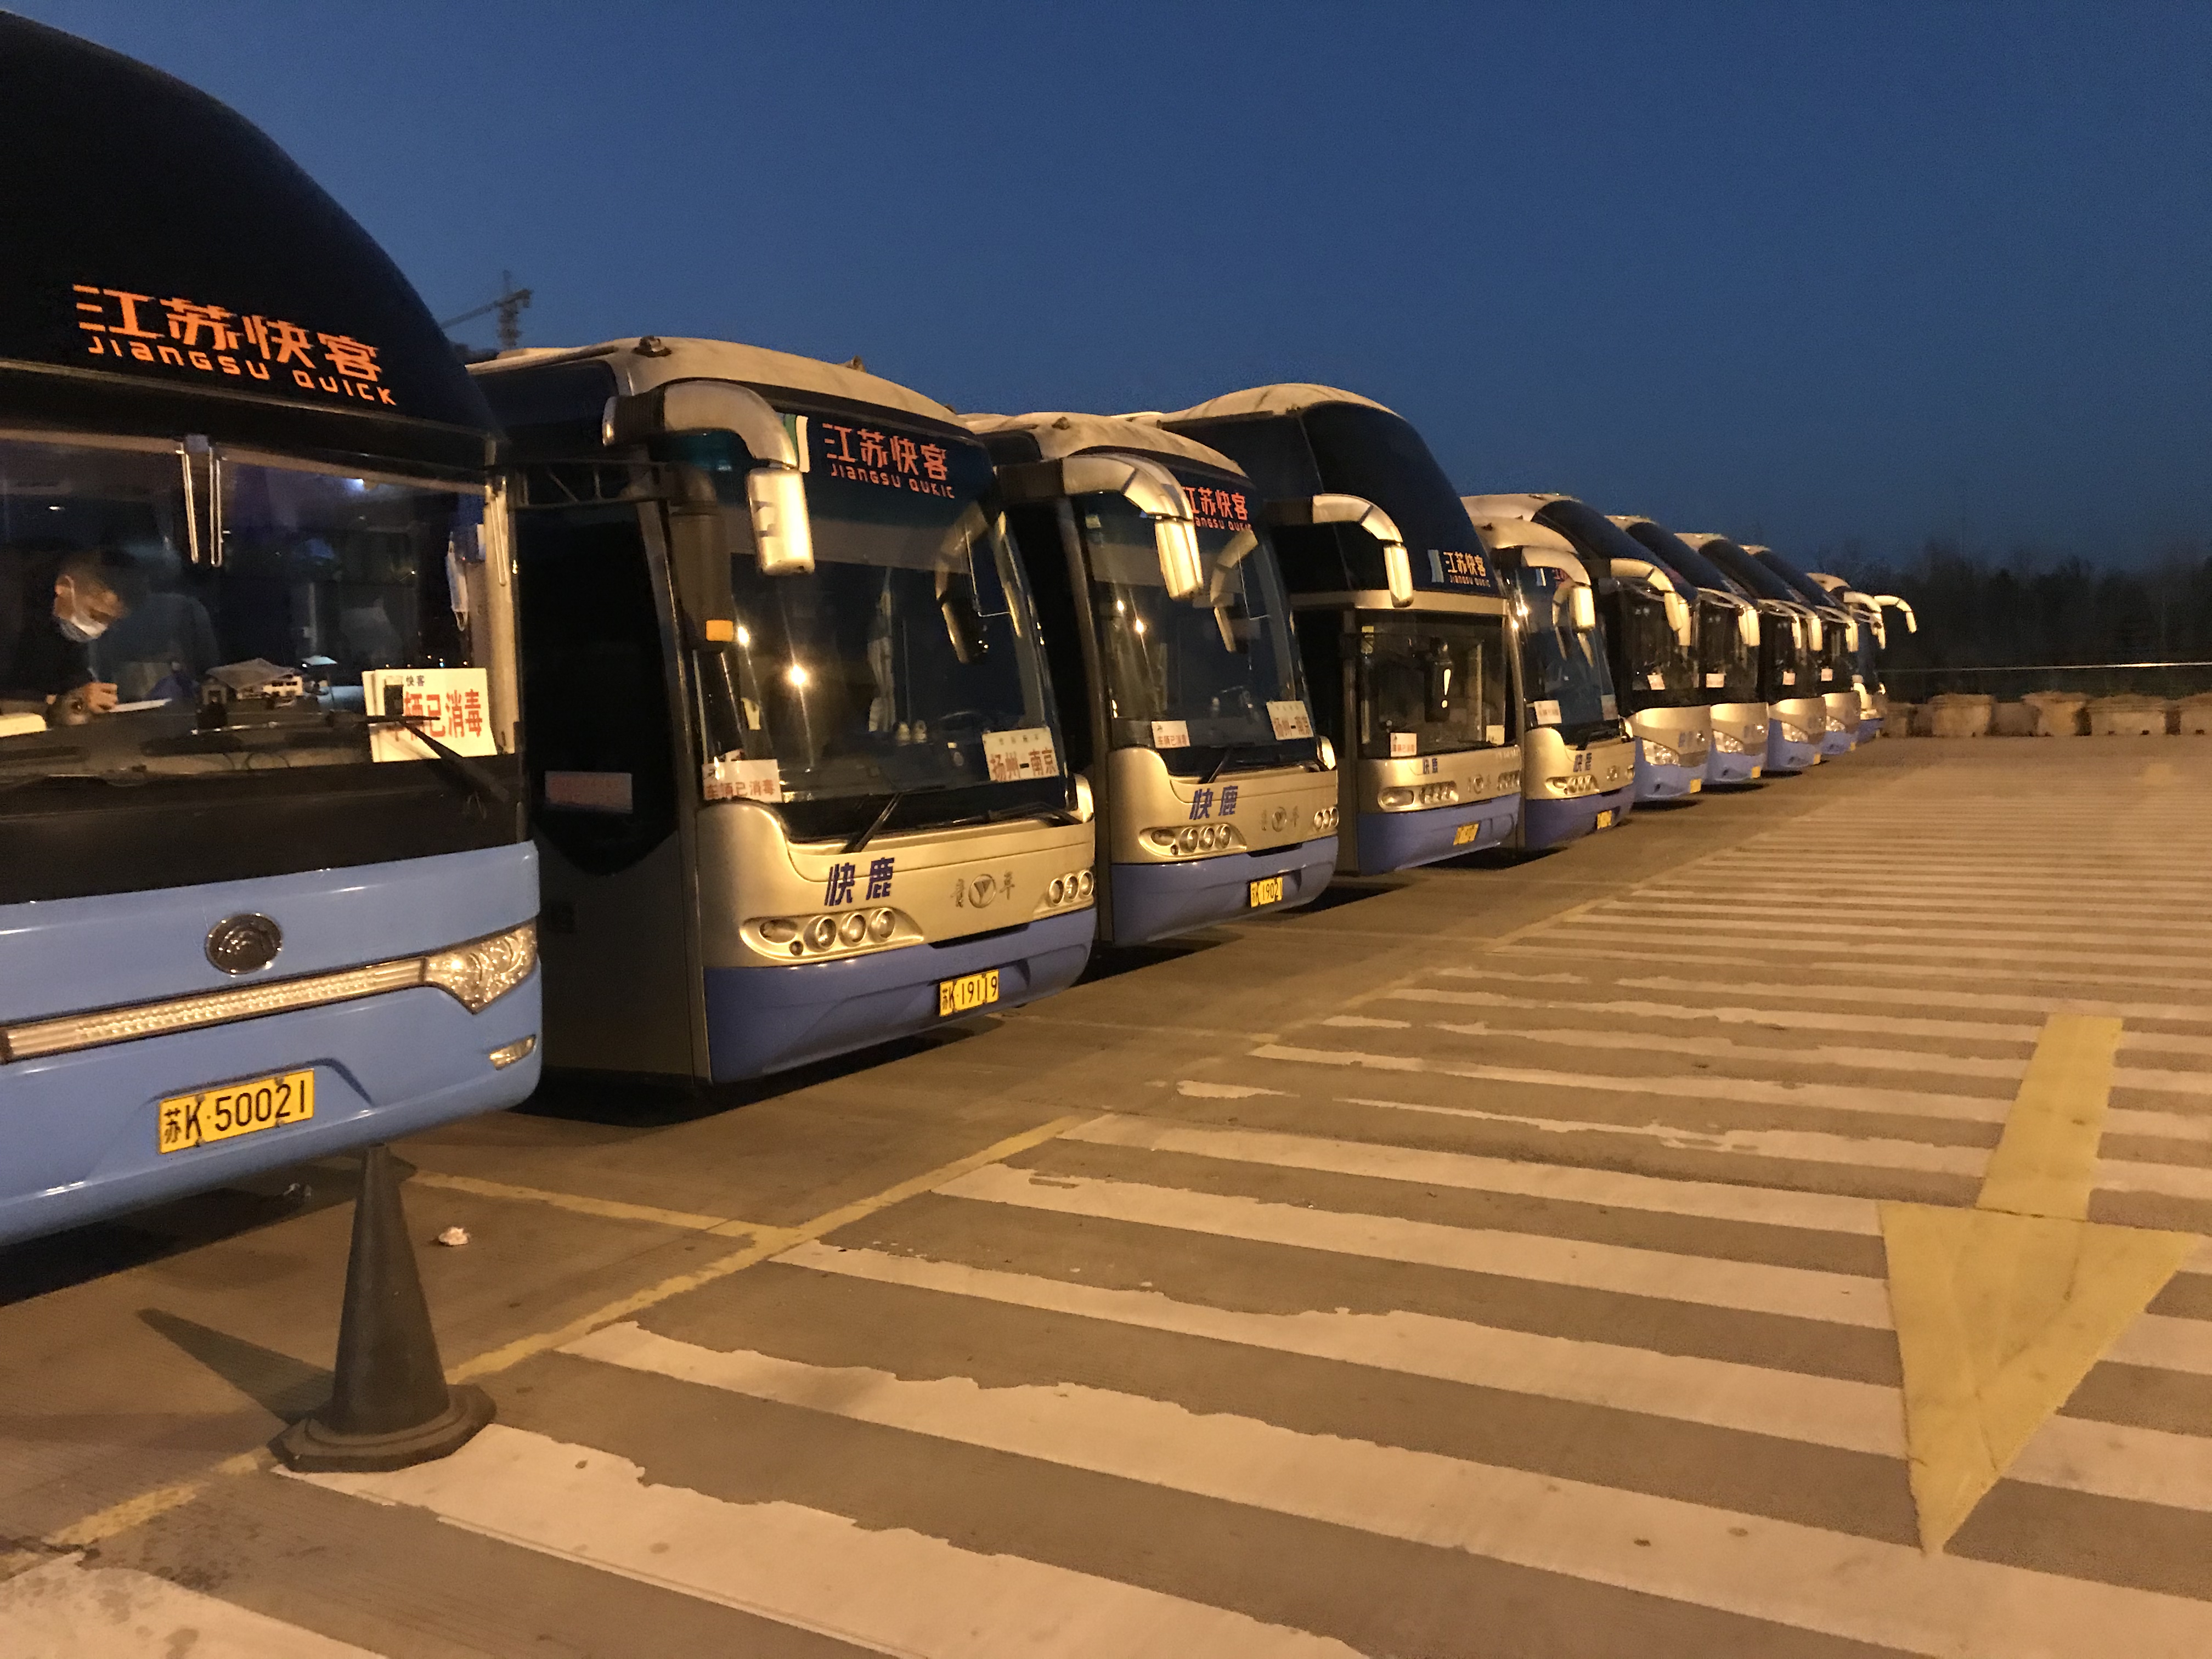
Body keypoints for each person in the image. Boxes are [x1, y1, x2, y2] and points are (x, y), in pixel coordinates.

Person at [0, 544, 144, 720]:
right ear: (64, 586)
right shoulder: (8, 596)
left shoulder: (63, 618)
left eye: (111, 622)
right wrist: (62, 703)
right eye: (95, 615)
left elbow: (71, 673)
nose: (100, 628)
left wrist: (85, 695)